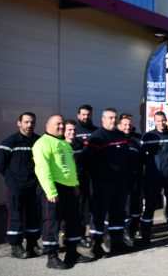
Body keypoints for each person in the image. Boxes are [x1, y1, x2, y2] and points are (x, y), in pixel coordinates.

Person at [33, 115, 91, 269]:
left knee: (73, 222)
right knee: (52, 223)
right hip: (53, 189)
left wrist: (75, 184)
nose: (61, 126)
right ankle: (51, 257)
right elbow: (42, 169)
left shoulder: (64, 144)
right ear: (48, 125)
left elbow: (70, 167)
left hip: (69, 189)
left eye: (62, 124)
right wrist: (51, 191)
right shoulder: (42, 143)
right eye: (58, 124)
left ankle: (72, 253)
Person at [84, 108, 133, 257]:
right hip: (102, 184)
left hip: (120, 183)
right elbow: (89, 162)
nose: (113, 120)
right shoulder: (96, 138)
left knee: (118, 213)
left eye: (114, 118)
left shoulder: (121, 135)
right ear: (103, 119)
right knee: (99, 215)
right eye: (110, 118)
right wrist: (99, 179)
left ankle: (117, 242)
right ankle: (96, 245)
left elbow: (126, 159)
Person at [0, 112, 42, 259]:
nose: (30, 125)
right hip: (15, 186)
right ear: (19, 123)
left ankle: (32, 244)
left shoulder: (38, 141)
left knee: (34, 216)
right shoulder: (10, 142)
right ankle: (16, 246)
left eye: (32, 122)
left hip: (33, 186)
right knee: (15, 215)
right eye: (26, 122)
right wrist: (12, 178)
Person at [139, 111, 168, 245]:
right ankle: (145, 237)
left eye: (163, 120)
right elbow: (142, 157)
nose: (161, 123)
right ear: (154, 121)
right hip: (153, 176)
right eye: (158, 121)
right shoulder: (148, 136)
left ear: (166, 120)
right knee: (150, 205)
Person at [117, 113, 143, 245]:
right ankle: (123, 234)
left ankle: (132, 232)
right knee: (124, 208)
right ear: (119, 126)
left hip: (135, 179)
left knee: (135, 207)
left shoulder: (136, 140)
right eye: (125, 125)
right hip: (120, 180)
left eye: (129, 125)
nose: (127, 127)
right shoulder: (115, 139)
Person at [75, 104, 96, 247]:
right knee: (80, 206)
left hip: (94, 175)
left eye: (88, 114)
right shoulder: (73, 131)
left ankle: (95, 234)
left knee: (95, 205)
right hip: (78, 175)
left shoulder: (97, 131)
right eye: (83, 114)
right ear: (78, 115)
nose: (86, 117)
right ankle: (80, 235)